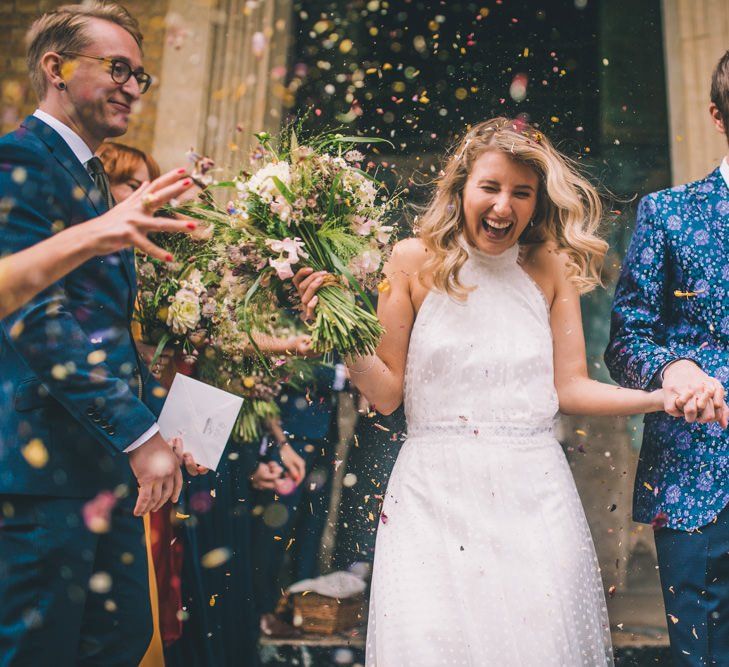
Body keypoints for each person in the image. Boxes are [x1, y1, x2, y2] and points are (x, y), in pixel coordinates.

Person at [294, 117, 728, 666]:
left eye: (521, 193)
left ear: (537, 200)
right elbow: (384, 395)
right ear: (461, 188)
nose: (504, 206)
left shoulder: (550, 268)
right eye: (491, 188)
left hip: (533, 498)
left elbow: (570, 388)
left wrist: (661, 397)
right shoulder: (409, 261)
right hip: (431, 497)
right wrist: (347, 335)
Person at [0, 3, 204, 665]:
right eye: (117, 68)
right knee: (38, 651)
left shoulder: (92, 183)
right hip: (41, 468)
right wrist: (137, 434)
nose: (132, 86)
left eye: (140, 75)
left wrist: (155, 429)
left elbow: (101, 329)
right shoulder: (17, 159)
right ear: (55, 68)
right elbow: (38, 319)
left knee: (117, 638)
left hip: (98, 462)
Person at [606, 50, 729, 666]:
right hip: (696, 474)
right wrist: (672, 368)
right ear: (716, 115)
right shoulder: (669, 214)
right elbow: (625, 340)